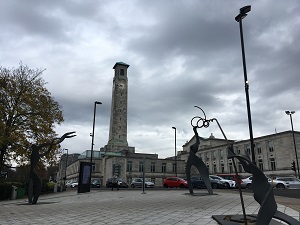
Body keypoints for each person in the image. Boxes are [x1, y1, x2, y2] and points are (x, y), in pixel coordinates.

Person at [28, 132, 76, 204]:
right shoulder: (35, 155)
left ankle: (33, 200)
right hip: (32, 171)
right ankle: (32, 200)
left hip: (32, 171)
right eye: (37, 147)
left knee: (37, 183)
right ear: (35, 148)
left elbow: (48, 147)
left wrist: (57, 140)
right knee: (38, 183)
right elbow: (48, 147)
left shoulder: (35, 154)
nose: (38, 148)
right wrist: (56, 141)